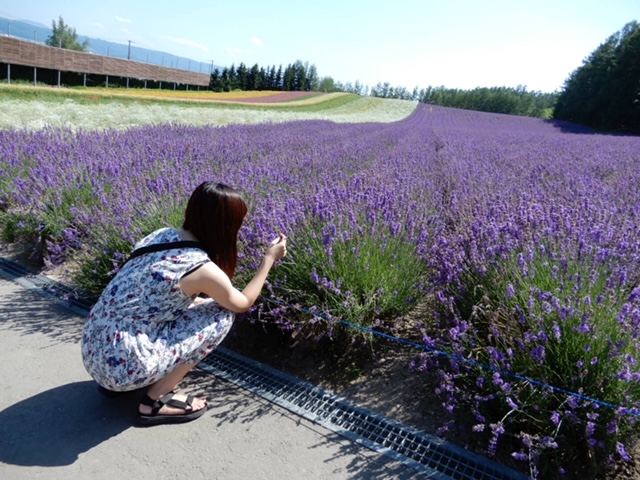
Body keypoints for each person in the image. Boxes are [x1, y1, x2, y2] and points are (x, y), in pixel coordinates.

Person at [81, 181, 287, 426]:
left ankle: (119, 382)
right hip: (123, 367)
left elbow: (148, 293)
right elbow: (241, 303)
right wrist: (268, 259)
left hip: (92, 349)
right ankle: (154, 402)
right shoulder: (200, 267)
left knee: (197, 303)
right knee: (221, 316)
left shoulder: (159, 235)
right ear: (226, 225)